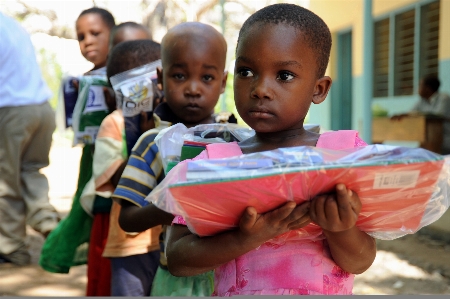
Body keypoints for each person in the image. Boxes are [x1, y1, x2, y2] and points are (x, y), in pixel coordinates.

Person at [164, 4, 376, 296]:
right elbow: (176, 257)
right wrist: (246, 238)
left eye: (284, 75)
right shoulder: (214, 163)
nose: (260, 89)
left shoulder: (343, 157)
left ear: (319, 89)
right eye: (246, 71)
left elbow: (361, 261)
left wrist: (340, 229)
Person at [112, 22, 234, 296]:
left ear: (223, 82)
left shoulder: (234, 138)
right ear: (160, 78)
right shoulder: (153, 142)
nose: (193, 88)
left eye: (207, 78)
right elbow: (127, 218)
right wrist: (172, 209)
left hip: (235, 273)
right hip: (178, 279)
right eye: (179, 76)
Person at [39, 7, 115, 277]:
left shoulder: (124, 76)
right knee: (89, 211)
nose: (88, 41)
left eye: (95, 33)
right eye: (81, 36)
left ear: (114, 36)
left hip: (116, 165)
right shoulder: (84, 79)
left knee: (107, 219)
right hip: (91, 161)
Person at [98, 39, 162, 296]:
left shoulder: (174, 120)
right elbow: (113, 178)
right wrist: (143, 142)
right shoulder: (113, 124)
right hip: (129, 244)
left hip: (170, 241)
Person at [0, 12, 60, 266]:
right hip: (40, 107)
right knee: (31, 171)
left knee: (5, 181)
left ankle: (11, 247)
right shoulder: (10, 24)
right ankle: (52, 228)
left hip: (12, 110)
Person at [392, 75, 450, 155]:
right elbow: (411, 113)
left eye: (420, 86)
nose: (418, 89)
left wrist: (416, 114)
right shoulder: (422, 101)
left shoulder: (444, 98)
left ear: (428, 88)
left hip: (444, 138)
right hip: (428, 139)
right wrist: (403, 115)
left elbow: (437, 116)